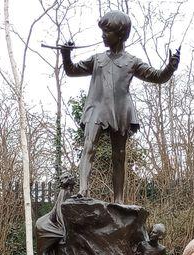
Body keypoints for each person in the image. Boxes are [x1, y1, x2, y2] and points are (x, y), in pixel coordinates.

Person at [60, 10, 179, 202]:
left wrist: (170, 67)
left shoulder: (131, 61)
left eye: (107, 31)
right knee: (88, 146)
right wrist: (66, 55)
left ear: (120, 34)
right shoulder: (97, 59)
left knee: (119, 156)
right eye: (103, 31)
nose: (103, 35)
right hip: (97, 108)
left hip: (120, 110)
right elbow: (71, 70)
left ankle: (119, 200)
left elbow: (157, 77)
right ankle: (83, 190)